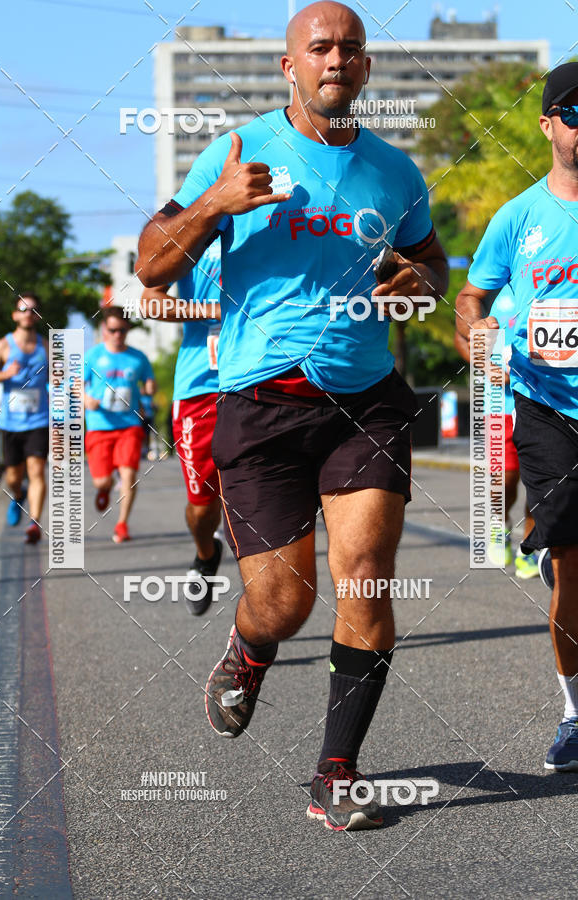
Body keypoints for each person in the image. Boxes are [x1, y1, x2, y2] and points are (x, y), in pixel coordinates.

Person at [137, 0, 448, 830]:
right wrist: (213, 206)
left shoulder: (396, 172)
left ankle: (336, 773)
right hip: (261, 401)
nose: (335, 58)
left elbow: (431, 261)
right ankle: (249, 649)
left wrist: (420, 283)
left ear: (367, 67)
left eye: (350, 47)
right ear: (290, 66)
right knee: (284, 604)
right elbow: (151, 267)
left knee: (367, 572)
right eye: (319, 47)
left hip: (366, 399)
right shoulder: (235, 152)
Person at [456, 61, 578, 771]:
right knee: (570, 566)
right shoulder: (518, 216)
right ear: (547, 125)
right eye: (575, 113)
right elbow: (472, 298)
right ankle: (575, 712)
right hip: (547, 408)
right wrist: (477, 336)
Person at [139, 238, 223, 616]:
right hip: (201, 390)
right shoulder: (194, 230)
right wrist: (213, 310)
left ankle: (255, 628)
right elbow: (150, 299)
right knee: (203, 508)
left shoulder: (275, 220)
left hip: (263, 381)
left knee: (252, 505)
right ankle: (206, 554)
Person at [454, 287, 539, 577]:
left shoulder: (552, 281)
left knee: (541, 484)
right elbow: (461, 337)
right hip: (499, 407)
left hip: (541, 404)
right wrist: (484, 364)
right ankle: (499, 525)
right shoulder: (490, 290)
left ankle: (530, 549)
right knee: (504, 481)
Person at [0, 293, 48, 543]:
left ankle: (34, 523)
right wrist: (5, 374)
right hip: (11, 423)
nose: (28, 314)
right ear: (15, 315)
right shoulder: (3, 346)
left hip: (39, 420)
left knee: (37, 471)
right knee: (13, 478)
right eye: (23, 309)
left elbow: (61, 378)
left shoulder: (46, 346)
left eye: (33, 310)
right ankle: (18, 495)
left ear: (38, 316)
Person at [84, 306, 156, 543]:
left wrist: (150, 388)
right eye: (113, 330)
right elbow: (75, 385)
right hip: (99, 425)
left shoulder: (138, 357)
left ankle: (122, 524)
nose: (117, 335)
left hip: (129, 425)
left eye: (122, 331)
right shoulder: (93, 356)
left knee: (129, 475)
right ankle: (106, 486)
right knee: (101, 480)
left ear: (127, 330)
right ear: (105, 329)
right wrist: (86, 399)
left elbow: (149, 382)